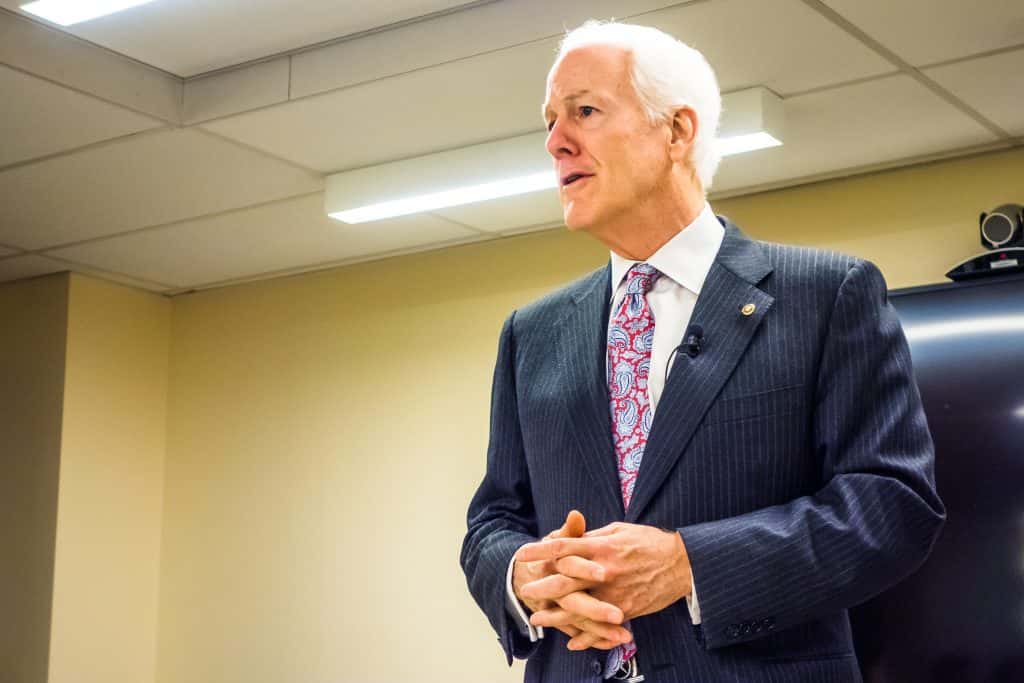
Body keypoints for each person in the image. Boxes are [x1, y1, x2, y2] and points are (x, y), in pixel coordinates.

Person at [460, 20, 944, 683]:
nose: (555, 141)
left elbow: (892, 504)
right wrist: (522, 574)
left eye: (584, 111)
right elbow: (493, 519)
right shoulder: (532, 333)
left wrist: (689, 564)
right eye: (549, 122)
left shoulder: (828, 295)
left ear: (677, 131)